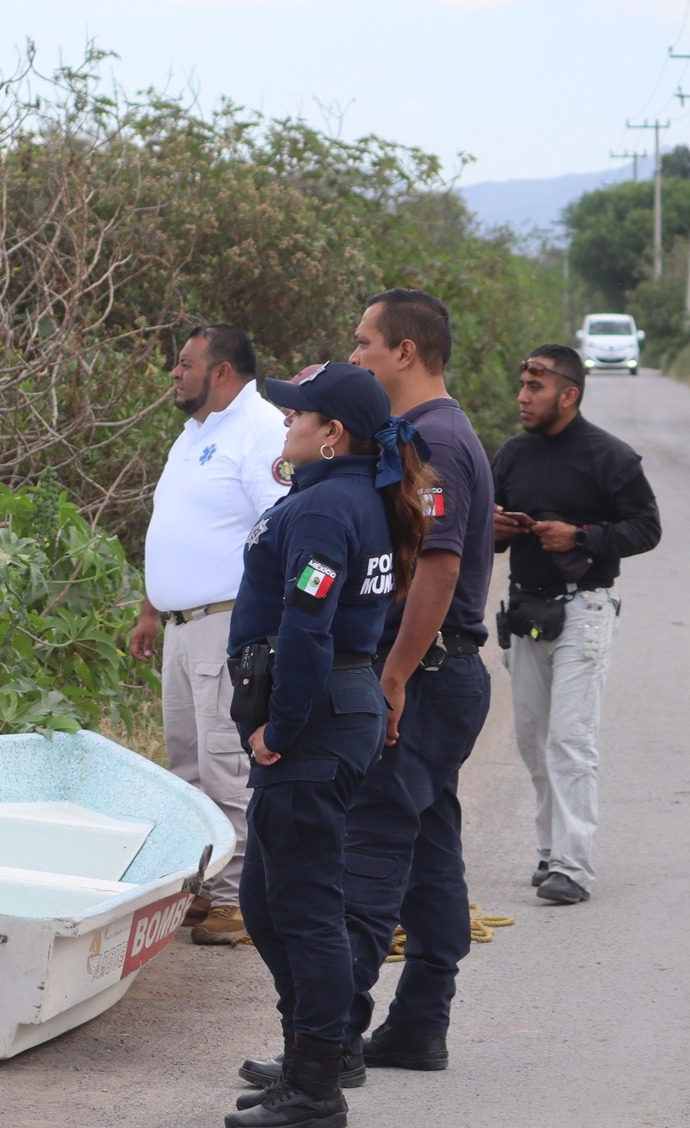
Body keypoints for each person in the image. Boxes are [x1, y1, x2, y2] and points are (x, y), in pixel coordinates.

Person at [243, 289, 496, 1086]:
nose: (355, 358)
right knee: (430, 850)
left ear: (405, 353)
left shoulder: (434, 437)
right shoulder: (419, 437)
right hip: (435, 671)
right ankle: (419, 1021)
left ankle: (330, 1039)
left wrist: (394, 674)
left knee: (367, 860)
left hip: (423, 669)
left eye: (364, 344)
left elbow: (441, 565)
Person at [223, 362, 431, 1128]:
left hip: (315, 719)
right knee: (269, 902)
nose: (285, 424)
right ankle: (313, 1045)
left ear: (331, 432)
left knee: (302, 908)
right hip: (335, 709)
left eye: (294, 414)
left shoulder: (325, 508)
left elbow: (308, 627)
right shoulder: (349, 496)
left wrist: (280, 725)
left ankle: (317, 1083)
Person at [127, 325, 291, 947]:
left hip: (227, 623)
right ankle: (205, 885)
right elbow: (174, 526)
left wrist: (262, 627)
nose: (175, 373)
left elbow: (280, 526)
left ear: (222, 371)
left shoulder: (261, 431)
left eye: (184, 363)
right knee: (187, 766)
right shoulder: (195, 433)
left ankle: (237, 900)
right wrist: (151, 607)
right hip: (180, 625)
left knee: (226, 762)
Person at [491, 345, 661, 905]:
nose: (522, 396)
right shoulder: (513, 455)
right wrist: (498, 529)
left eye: (535, 387)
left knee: (570, 739)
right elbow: (482, 532)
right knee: (532, 739)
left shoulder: (610, 457)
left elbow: (646, 529)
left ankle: (574, 866)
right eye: (522, 385)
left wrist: (581, 536)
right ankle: (548, 850)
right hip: (525, 610)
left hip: (584, 611)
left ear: (569, 394)